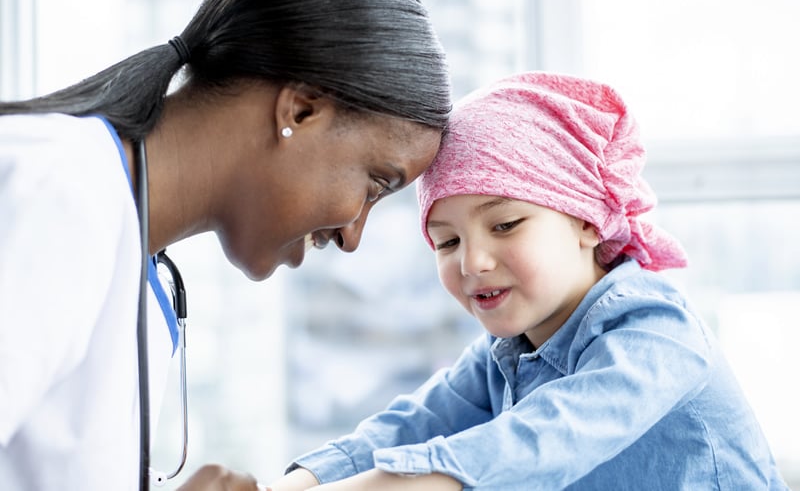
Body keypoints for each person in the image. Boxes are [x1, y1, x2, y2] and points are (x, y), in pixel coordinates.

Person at [0, 0, 450, 489]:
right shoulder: (57, 194)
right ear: (301, 111)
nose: (352, 237)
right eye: (375, 184)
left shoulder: (129, 255)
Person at [267, 72, 788, 490]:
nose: (473, 262)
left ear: (586, 219)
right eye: (447, 242)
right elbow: (415, 423)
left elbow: (540, 440)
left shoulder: (657, 332)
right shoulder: (506, 350)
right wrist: (299, 482)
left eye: (505, 225)